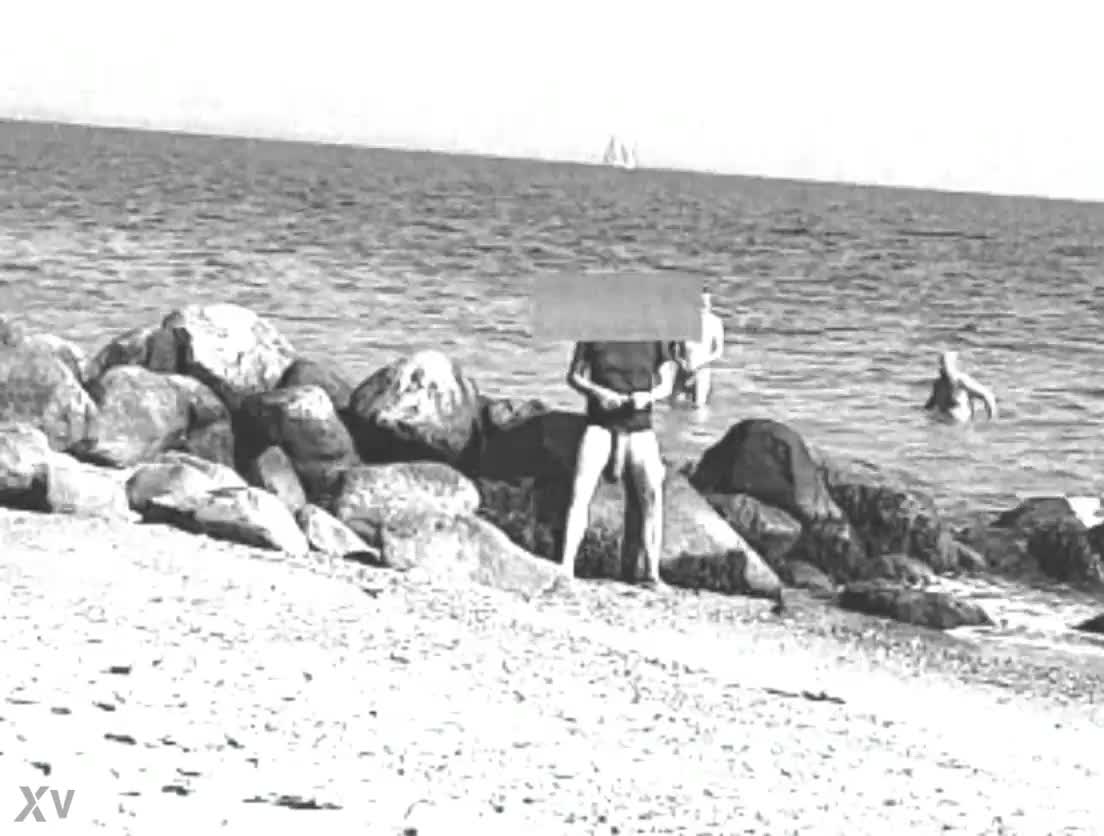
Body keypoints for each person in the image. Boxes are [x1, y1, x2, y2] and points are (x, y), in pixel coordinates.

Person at [560, 340, 678, 585]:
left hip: (640, 428)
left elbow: (667, 383)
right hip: (600, 425)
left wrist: (649, 396)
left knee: (652, 498)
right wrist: (598, 393)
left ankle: (652, 574)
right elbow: (574, 376)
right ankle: (566, 568)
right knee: (580, 495)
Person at [673, 292, 725, 407]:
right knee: (675, 406)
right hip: (683, 369)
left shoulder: (715, 321)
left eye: (707, 301)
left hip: (702, 369)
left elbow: (719, 351)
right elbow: (675, 347)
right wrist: (681, 361)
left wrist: (702, 364)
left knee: (699, 405)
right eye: (701, 301)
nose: (705, 304)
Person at [924, 350, 998, 422]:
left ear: (953, 364)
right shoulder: (938, 384)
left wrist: (991, 421)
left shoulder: (961, 380)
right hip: (942, 425)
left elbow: (988, 395)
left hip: (960, 425)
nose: (942, 367)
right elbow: (929, 407)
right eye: (941, 363)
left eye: (945, 364)